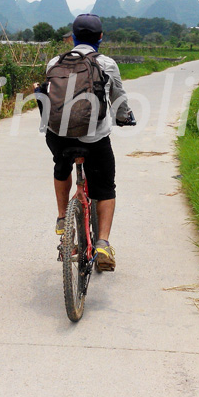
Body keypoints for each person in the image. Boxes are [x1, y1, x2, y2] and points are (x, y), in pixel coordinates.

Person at [40, 14, 134, 272]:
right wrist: (124, 117)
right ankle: (102, 243)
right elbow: (119, 98)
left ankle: (62, 217)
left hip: (58, 136)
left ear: (71, 36)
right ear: (100, 37)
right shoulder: (106, 63)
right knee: (105, 187)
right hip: (94, 139)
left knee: (61, 166)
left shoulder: (54, 62)